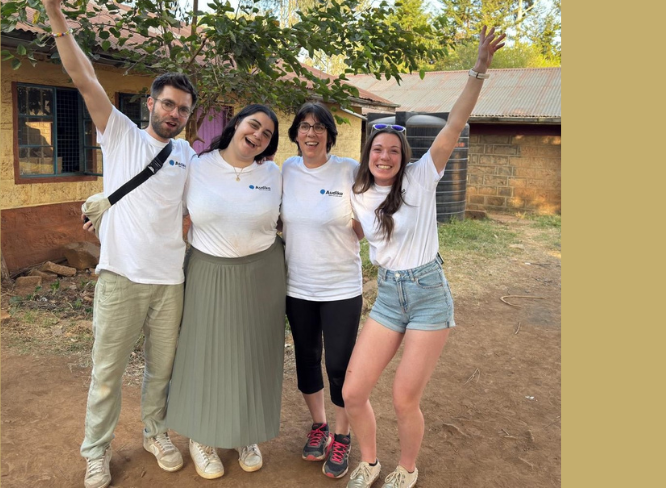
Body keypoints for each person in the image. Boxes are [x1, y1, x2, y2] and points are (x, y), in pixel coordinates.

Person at [41, 0, 198, 488]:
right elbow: (82, 75)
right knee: (106, 374)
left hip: (169, 281)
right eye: (168, 104)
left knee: (161, 370)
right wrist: (55, 13)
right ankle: (96, 451)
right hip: (121, 278)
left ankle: (155, 432)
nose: (174, 114)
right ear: (150, 104)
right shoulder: (120, 134)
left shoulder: (187, 154)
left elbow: (207, 200)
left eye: (183, 109)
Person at [343, 26, 506, 488]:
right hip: (388, 296)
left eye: (393, 151)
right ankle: (370, 462)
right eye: (378, 149)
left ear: (403, 156)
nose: (385, 156)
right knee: (353, 391)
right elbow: (362, 230)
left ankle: (407, 470)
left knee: (403, 398)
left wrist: (478, 70)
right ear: (368, 153)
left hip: (428, 294)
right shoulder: (357, 192)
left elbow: (454, 123)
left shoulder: (422, 176)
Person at [165, 104, 287, 479]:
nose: (258, 135)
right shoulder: (197, 166)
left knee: (253, 355)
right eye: (254, 125)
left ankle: (244, 433)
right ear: (236, 124)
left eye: (267, 134)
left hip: (263, 274)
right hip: (209, 269)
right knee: (204, 352)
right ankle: (202, 437)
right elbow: (160, 204)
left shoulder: (274, 174)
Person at [280, 102, 364, 479]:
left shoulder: (347, 170)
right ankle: (320, 426)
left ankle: (343, 435)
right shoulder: (287, 169)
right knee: (307, 359)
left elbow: (368, 219)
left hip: (341, 286)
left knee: (340, 366)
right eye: (304, 126)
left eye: (319, 127)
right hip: (298, 286)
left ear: (330, 134)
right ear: (295, 134)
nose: (311, 133)